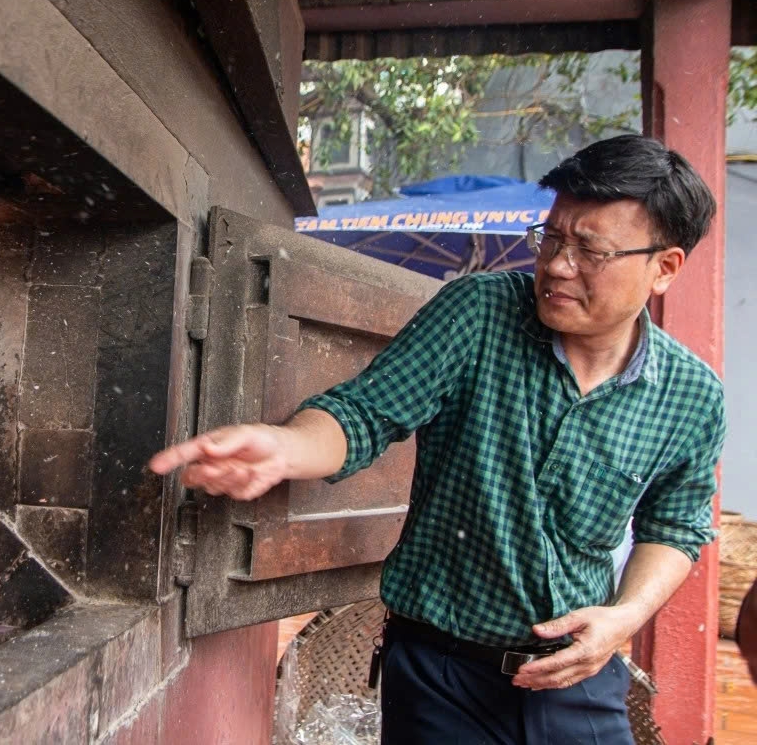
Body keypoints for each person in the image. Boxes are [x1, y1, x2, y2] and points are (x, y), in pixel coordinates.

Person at [150, 134, 725, 744]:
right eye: (552, 238)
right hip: (442, 672)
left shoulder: (692, 395)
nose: (558, 264)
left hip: (577, 672)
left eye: (592, 251)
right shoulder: (477, 314)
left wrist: (625, 617)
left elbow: (675, 528)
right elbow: (364, 415)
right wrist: (286, 448)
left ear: (664, 267)